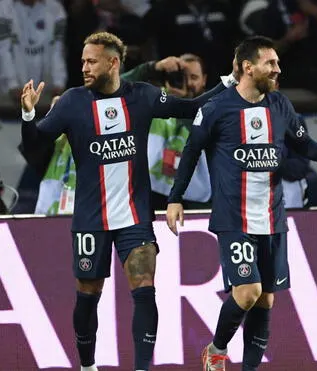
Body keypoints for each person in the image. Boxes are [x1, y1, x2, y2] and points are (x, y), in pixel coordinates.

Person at [19, 31, 228, 371]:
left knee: (145, 289)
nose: (84, 67)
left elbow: (190, 106)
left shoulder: (143, 96)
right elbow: (34, 146)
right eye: (83, 60)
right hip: (90, 218)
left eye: (91, 61)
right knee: (87, 298)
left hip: (135, 216)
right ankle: (87, 366)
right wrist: (28, 115)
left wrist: (230, 80)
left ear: (113, 63)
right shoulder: (72, 102)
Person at [165, 36, 317, 371]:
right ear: (247, 67)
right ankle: (216, 349)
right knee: (247, 292)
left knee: (266, 299)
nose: (277, 69)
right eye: (270, 63)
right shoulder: (216, 108)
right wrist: (175, 199)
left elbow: (304, 144)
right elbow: (191, 151)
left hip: (273, 216)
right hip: (233, 216)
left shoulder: (280, 105)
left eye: (277, 63)